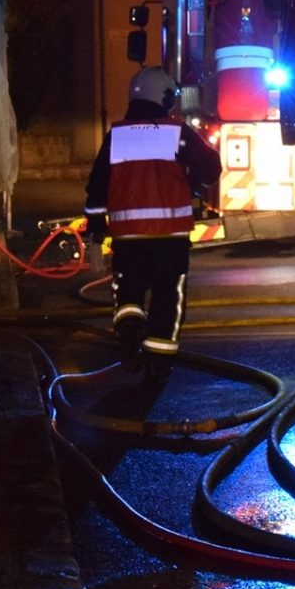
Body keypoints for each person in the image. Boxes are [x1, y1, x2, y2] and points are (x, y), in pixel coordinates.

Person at [84, 67, 220, 371]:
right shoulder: (177, 133)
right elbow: (211, 168)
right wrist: (192, 181)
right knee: (167, 296)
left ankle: (130, 334)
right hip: (170, 238)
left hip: (128, 237)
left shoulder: (116, 136)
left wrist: (95, 229)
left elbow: (96, 187)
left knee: (128, 290)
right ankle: (159, 360)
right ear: (163, 98)